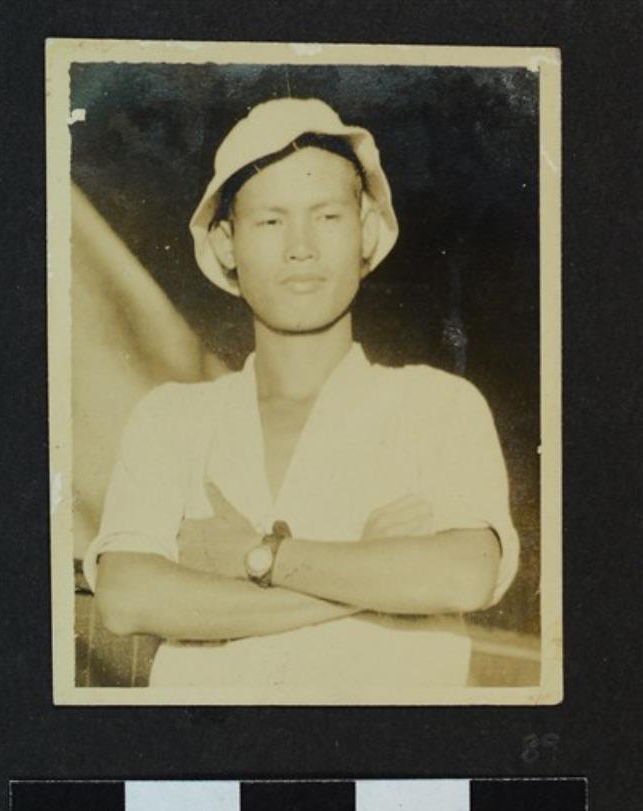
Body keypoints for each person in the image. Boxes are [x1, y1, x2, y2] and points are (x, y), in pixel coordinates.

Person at [84, 97, 519, 694]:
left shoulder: (438, 404)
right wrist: (368, 576)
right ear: (226, 244)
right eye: (270, 221)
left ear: (366, 231)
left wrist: (260, 556)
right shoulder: (172, 419)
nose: (301, 247)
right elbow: (126, 598)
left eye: (328, 216)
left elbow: (463, 575)